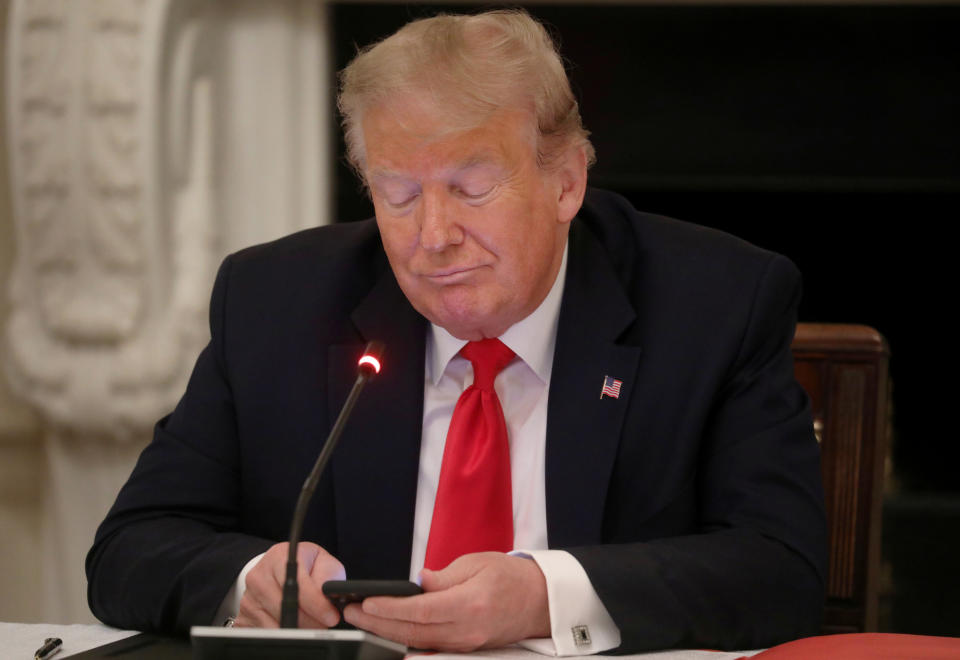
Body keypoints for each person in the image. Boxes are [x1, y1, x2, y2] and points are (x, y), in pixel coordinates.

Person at [87, 9, 826, 655]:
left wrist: (544, 595)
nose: (432, 236)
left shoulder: (716, 304)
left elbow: (780, 567)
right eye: (398, 194)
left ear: (566, 181)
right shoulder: (273, 304)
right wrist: (250, 581)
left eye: (471, 190)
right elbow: (128, 549)